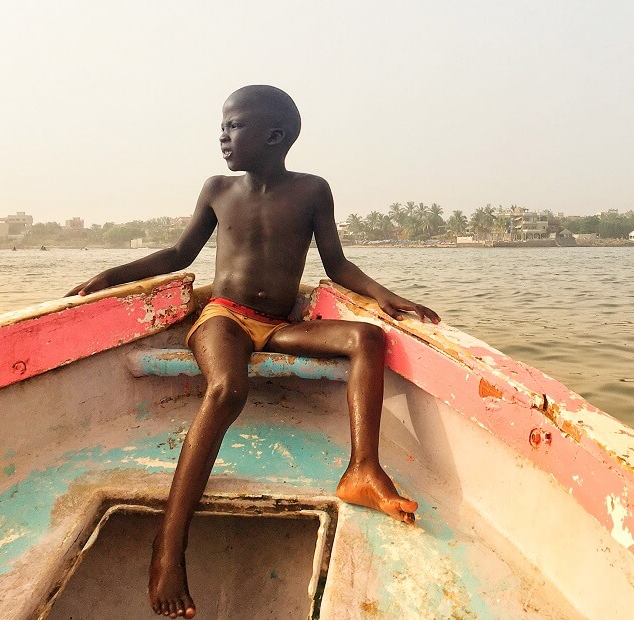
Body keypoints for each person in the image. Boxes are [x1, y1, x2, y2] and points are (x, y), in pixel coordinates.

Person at [67, 85, 440, 619]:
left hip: (279, 324)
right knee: (227, 388)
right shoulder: (218, 188)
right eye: (222, 126)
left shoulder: (312, 190)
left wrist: (387, 297)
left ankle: (362, 471)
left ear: (274, 135)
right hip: (222, 318)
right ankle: (167, 548)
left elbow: (336, 265)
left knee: (367, 339)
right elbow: (179, 252)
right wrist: (112, 275)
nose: (223, 136)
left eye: (234, 126)